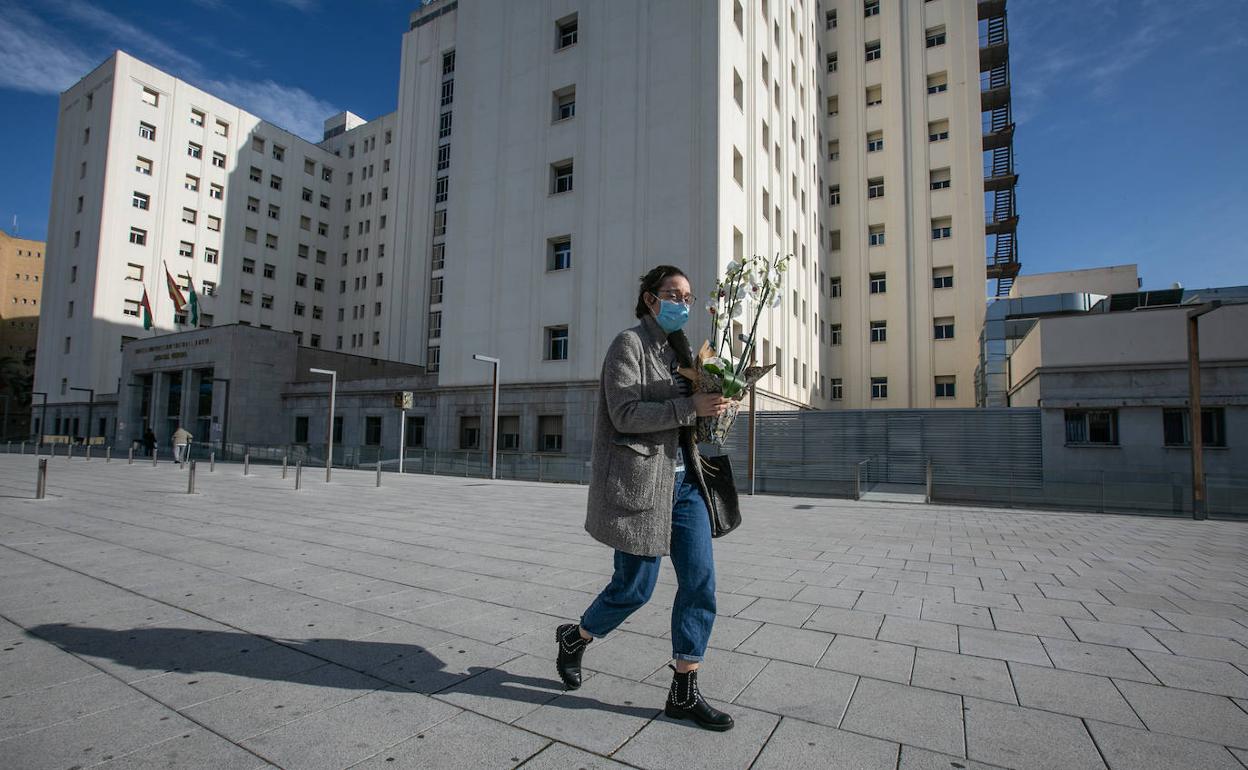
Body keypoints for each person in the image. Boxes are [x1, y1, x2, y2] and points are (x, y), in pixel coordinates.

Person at [556, 265, 735, 731]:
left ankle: (684, 690)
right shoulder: (628, 344)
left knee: (700, 583)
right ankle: (576, 638)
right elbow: (624, 412)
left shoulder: (686, 351)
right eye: (673, 293)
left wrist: (718, 405)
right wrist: (687, 406)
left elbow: (689, 421)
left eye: (689, 296)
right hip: (642, 482)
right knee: (634, 589)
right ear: (651, 298)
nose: (682, 302)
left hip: (687, 484)